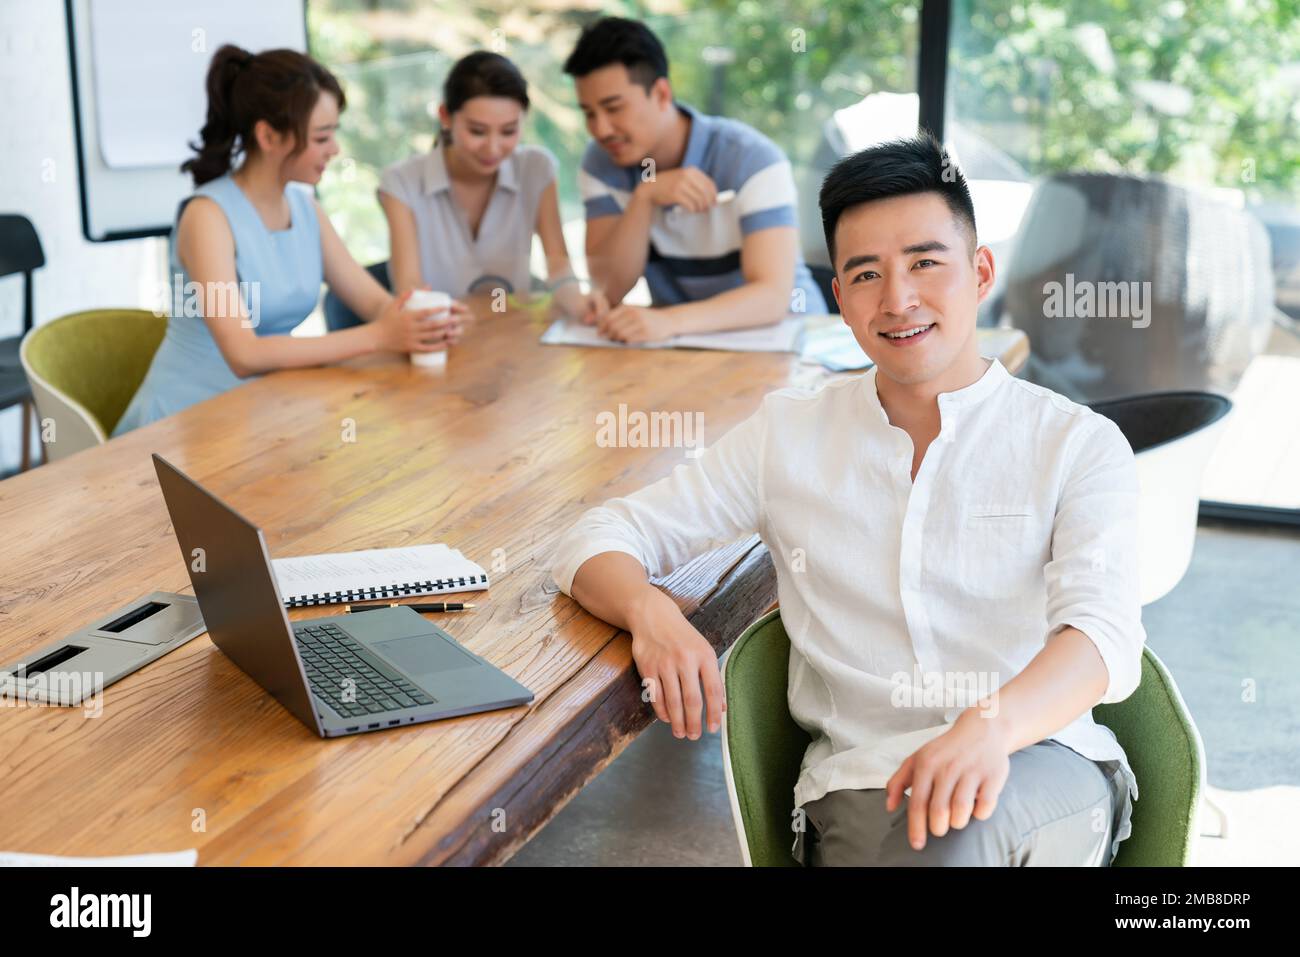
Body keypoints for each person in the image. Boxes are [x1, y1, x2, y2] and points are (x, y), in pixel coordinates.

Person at [548, 133, 1142, 866]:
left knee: (961, 839)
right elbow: (594, 536)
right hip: (863, 782)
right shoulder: (788, 435)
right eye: (867, 274)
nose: (898, 300)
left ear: (980, 271)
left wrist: (988, 726)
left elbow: (1104, 637)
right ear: (840, 296)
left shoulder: (1076, 443)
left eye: (926, 262)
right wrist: (651, 612)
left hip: (1041, 758)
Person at [113, 45, 466, 436]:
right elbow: (244, 354)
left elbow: (373, 302)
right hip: (185, 424)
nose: (334, 149)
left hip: (261, 412)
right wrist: (379, 336)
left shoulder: (304, 208)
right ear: (268, 135)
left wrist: (425, 320)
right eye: (321, 137)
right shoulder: (207, 218)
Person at [562, 16, 826, 343]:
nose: (600, 129)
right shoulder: (601, 163)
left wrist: (669, 322)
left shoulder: (752, 158)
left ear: (660, 93)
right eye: (588, 113)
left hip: (787, 341)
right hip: (686, 346)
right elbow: (608, 288)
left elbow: (771, 297)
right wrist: (644, 198)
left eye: (614, 108)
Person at [379, 51, 607, 322]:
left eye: (509, 131)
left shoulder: (536, 169)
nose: (493, 147)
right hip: (440, 335)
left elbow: (557, 265)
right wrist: (439, 317)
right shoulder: (401, 183)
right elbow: (409, 287)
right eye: (477, 131)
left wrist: (580, 302)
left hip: (513, 335)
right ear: (445, 117)